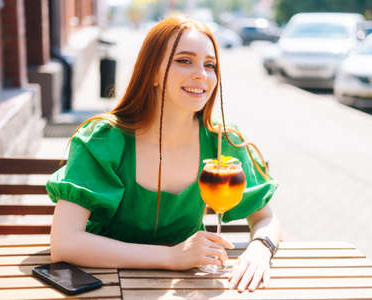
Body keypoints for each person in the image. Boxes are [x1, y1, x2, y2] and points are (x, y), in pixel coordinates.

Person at [47, 15, 281, 292]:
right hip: (105, 283)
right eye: (184, 60)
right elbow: (65, 243)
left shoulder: (222, 141)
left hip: (184, 288)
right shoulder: (105, 139)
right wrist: (172, 257)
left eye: (210, 65)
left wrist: (260, 249)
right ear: (153, 72)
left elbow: (265, 218)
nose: (201, 74)